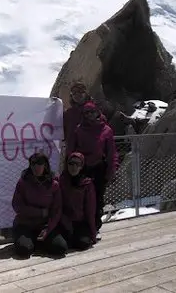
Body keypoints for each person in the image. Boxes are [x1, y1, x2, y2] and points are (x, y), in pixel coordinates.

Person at [67, 101, 118, 241]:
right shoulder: (79, 129)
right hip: (81, 169)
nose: (90, 115)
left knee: (98, 199)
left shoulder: (106, 130)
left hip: (98, 169)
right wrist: (70, 166)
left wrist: (111, 170)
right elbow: (71, 149)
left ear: (98, 112)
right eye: (86, 113)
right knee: (81, 199)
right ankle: (82, 227)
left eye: (92, 112)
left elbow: (111, 152)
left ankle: (95, 227)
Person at [12, 152, 67, 258]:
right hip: (25, 224)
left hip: (44, 225)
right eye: (33, 164)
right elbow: (17, 206)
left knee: (61, 248)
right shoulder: (23, 182)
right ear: (30, 165)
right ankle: (32, 242)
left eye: (39, 163)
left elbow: (57, 210)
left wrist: (48, 229)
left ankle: (37, 242)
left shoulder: (54, 184)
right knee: (24, 250)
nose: (36, 167)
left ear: (45, 165)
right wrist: (40, 212)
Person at [59, 152, 97, 250]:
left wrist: (93, 233)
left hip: (80, 222)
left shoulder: (87, 184)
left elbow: (90, 210)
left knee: (83, 243)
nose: (74, 167)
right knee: (60, 244)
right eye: (71, 163)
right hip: (64, 221)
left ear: (82, 166)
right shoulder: (61, 181)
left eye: (77, 164)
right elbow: (57, 205)